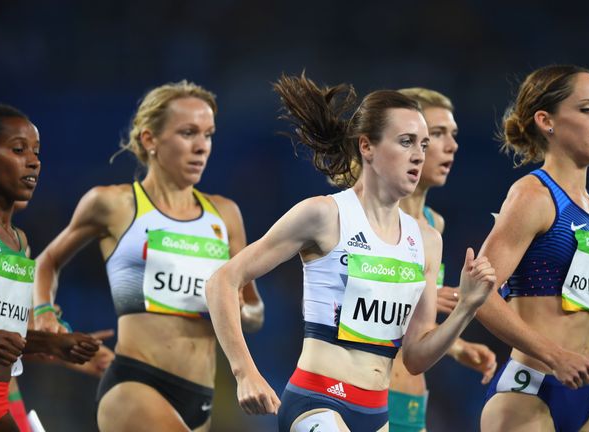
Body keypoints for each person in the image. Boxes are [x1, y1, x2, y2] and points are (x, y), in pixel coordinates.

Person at [205, 73, 497, 432]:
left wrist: (467, 306)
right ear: (367, 147)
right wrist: (245, 372)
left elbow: (418, 355)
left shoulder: (426, 239)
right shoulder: (325, 215)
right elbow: (222, 280)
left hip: (376, 414)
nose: (418, 155)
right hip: (318, 401)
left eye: (423, 144)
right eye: (406, 142)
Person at [32, 80, 265, 432]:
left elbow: (255, 309)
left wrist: (233, 310)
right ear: (149, 139)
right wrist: (45, 312)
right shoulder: (113, 204)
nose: (202, 147)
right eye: (188, 133)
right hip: (135, 384)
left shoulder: (225, 215)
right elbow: (47, 262)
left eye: (208, 134)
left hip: (200, 396)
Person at [475, 65, 589, 432]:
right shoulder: (532, 196)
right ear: (546, 121)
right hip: (531, 394)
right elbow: (479, 295)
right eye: (587, 108)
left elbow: (567, 305)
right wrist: (555, 356)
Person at [0, 104, 101, 431]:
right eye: (18, 149)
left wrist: (53, 345)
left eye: (36, 152)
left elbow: (2, 331)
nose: (33, 161)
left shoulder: (20, 243)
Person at [386, 88, 497, 432]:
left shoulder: (434, 225)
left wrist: (457, 347)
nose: (452, 145)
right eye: (437, 134)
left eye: (453, 135)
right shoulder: (370, 219)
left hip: (414, 400)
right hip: (367, 396)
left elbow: (416, 328)